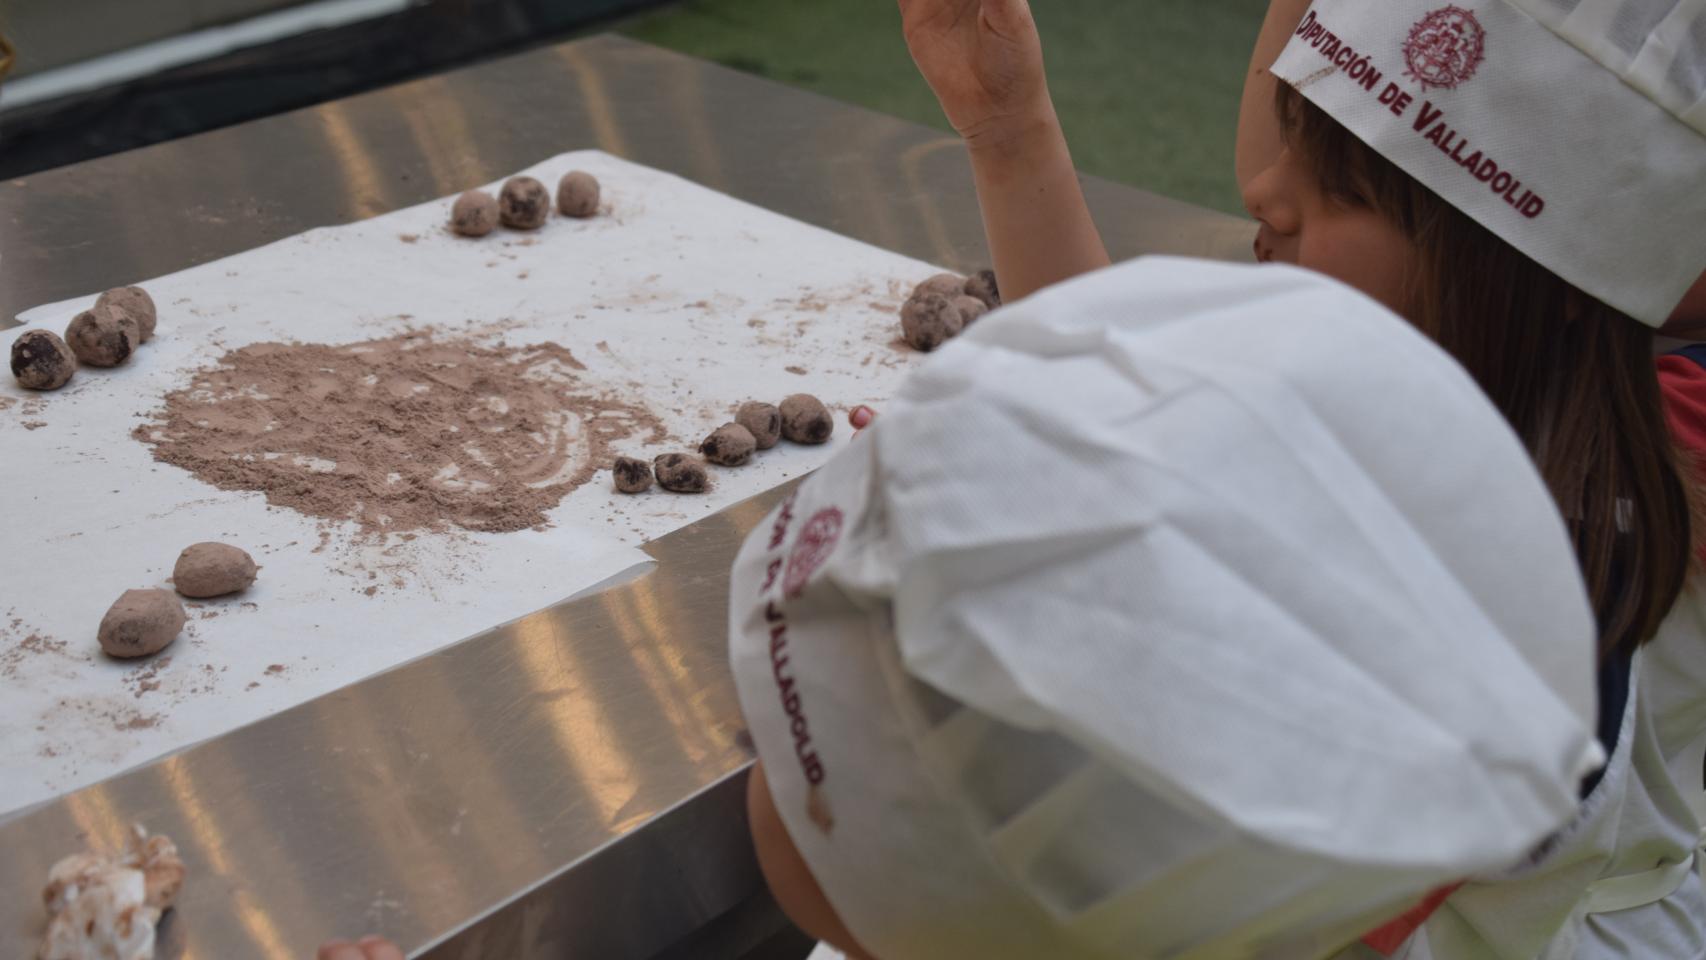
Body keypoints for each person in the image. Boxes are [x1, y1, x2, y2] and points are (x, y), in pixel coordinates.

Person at [743, 0, 1706, 958]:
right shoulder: (1498, 415)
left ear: (1526, 279)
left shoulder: (1456, 629)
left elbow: (951, 889)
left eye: (1342, 193)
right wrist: (1009, 127)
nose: (1263, 192)